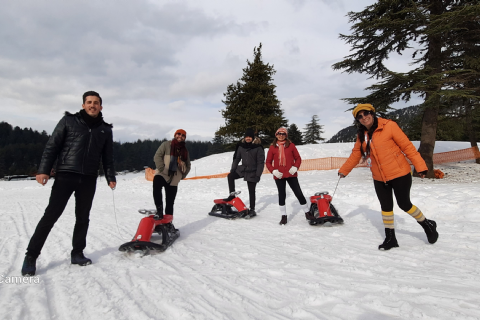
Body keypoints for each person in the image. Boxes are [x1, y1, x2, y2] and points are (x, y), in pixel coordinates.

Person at [22, 91, 116, 276]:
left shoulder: (105, 129)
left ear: (101, 107)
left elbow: (108, 157)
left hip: (88, 178)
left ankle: (77, 253)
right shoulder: (68, 121)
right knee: (51, 216)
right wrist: (43, 170)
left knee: (83, 217)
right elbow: (52, 146)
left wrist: (110, 177)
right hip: (66, 175)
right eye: (89, 102)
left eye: (96, 103)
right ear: (83, 105)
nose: (92, 105)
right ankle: (31, 256)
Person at [338, 103, 439, 250]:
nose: (364, 117)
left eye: (366, 113)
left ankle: (427, 224)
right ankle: (391, 238)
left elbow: (407, 147)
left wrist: (421, 166)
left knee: (404, 204)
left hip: (400, 173)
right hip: (379, 177)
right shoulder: (362, 136)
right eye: (359, 116)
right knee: (386, 207)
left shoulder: (389, 126)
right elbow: (356, 154)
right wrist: (344, 170)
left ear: (372, 113)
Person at [266, 127, 310, 225]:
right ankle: (284, 216)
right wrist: (273, 171)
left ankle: (307, 213)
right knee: (282, 195)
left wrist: (295, 167)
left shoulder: (291, 146)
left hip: (291, 174)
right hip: (279, 175)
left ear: (286, 135)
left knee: (298, 193)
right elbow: (268, 162)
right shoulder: (272, 147)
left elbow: (298, 158)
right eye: (279, 133)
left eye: (283, 134)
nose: (281, 135)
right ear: (276, 135)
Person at [153, 129, 191, 228]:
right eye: (179, 134)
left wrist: (182, 176)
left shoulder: (185, 151)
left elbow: (188, 165)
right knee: (156, 184)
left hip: (175, 178)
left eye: (183, 135)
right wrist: (161, 169)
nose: (180, 136)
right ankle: (159, 211)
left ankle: (168, 223)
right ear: (175, 135)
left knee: (170, 202)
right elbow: (157, 156)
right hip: (163, 174)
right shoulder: (166, 144)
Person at [226, 128, 265, 218]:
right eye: (246, 137)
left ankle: (252, 209)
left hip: (253, 171)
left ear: (252, 137)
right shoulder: (241, 146)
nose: (248, 138)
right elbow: (237, 158)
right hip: (243, 169)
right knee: (230, 176)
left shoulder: (258, 147)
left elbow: (260, 162)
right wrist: (233, 169)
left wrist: (258, 175)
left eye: (249, 137)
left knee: (251, 191)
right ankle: (232, 195)